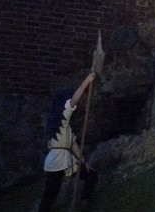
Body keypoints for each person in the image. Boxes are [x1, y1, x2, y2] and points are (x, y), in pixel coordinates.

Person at [38, 72, 98, 212]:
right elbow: (75, 98)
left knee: (91, 175)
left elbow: (72, 143)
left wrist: (83, 161)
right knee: (50, 193)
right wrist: (87, 81)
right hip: (57, 160)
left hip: (66, 160)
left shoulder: (65, 125)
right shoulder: (60, 119)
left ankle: (84, 204)